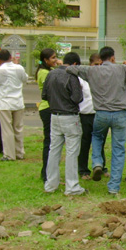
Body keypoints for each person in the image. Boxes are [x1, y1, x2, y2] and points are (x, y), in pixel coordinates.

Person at [67, 46, 126, 195]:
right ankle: (114, 187)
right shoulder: (122, 69)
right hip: (119, 114)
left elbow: (71, 69)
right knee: (118, 149)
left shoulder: (91, 71)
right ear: (113, 57)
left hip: (101, 113)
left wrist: (61, 64)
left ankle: (97, 162)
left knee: (97, 137)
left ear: (100, 59)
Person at [42, 52, 86, 196]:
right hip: (70, 116)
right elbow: (77, 97)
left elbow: (44, 95)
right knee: (72, 152)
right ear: (75, 64)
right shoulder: (72, 76)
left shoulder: (51, 74)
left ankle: (50, 184)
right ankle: (72, 186)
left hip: (54, 115)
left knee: (54, 150)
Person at [0, 49, 28, 161]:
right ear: (11, 57)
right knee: (18, 128)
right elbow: (25, 79)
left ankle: (9, 155)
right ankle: (19, 152)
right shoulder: (19, 68)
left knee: (7, 130)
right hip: (18, 102)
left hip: (4, 102)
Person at [77, 53, 107, 180]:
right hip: (86, 114)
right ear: (90, 64)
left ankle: (101, 167)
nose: (98, 67)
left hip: (100, 113)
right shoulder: (82, 79)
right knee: (85, 143)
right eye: (96, 64)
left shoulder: (105, 78)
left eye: (100, 65)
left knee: (100, 141)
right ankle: (83, 170)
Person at [36, 48, 58, 182]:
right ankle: (46, 173)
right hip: (47, 108)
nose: (56, 60)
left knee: (52, 141)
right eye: (53, 58)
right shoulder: (44, 73)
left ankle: (48, 172)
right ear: (45, 60)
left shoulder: (49, 71)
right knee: (49, 141)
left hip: (50, 107)